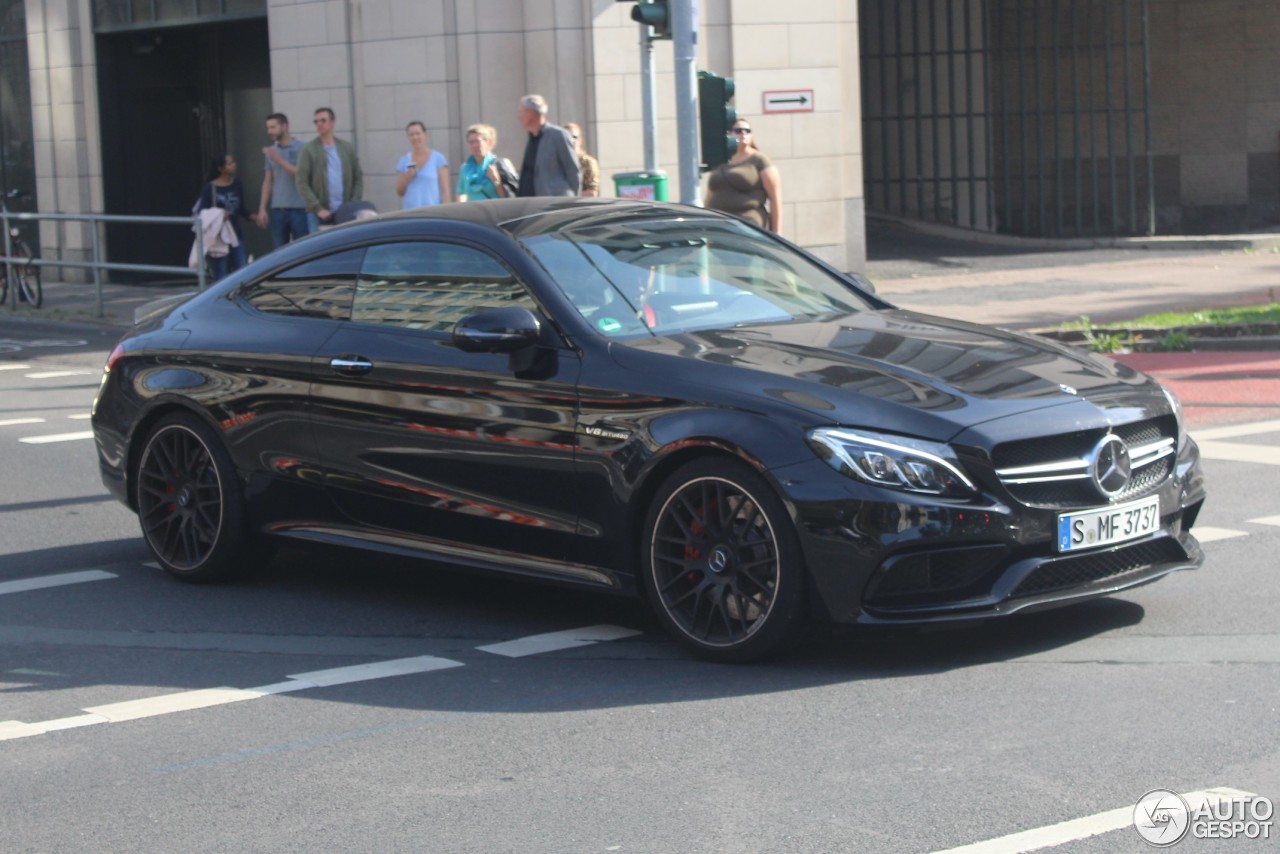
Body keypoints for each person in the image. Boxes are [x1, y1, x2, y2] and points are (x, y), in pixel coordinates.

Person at [703, 118, 783, 232]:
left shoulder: (759, 160)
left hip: (747, 225)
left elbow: (775, 198)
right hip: (718, 226)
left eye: (747, 130)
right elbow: (710, 195)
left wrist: (777, 232)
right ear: (729, 134)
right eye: (739, 130)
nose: (743, 133)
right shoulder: (721, 160)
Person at [295, 107, 364, 231]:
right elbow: (301, 182)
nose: (319, 124)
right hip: (318, 213)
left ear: (332, 122)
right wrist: (317, 208)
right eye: (316, 122)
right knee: (318, 247)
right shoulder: (308, 150)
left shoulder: (346, 148)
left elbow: (358, 177)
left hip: (344, 211)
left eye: (323, 120)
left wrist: (353, 203)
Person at [255, 112, 309, 247]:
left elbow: (301, 174)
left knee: (302, 250)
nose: (269, 131)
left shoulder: (302, 148)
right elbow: (267, 181)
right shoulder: (271, 151)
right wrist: (262, 208)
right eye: (268, 128)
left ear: (284, 126)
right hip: (278, 210)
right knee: (279, 253)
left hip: (299, 209)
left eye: (273, 127)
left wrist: (278, 159)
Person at [195, 153, 252, 279]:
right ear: (221, 169)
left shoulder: (237, 184)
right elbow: (201, 213)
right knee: (221, 274)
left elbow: (241, 209)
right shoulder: (210, 188)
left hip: (236, 235)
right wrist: (219, 214)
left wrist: (254, 217)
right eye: (230, 163)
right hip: (218, 237)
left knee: (241, 271)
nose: (234, 165)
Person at [515, 94, 580, 197]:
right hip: (531, 204)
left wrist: (572, 200)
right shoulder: (532, 139)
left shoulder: (558, 135)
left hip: (555, 204)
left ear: (530, 112)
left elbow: (572, 169)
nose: (518, 116)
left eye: (520, 112)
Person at [395, 120, 451, 208]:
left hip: (432, 212)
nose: (415, 137)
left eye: (418, 133)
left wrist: (447, 212)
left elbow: (445, 191)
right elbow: (399, 192)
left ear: (425, 135)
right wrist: (407, 178)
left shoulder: (438, 159)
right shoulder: (404, 161)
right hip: (410, 213)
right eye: (411, 135)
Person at [456, 123, 507, 202]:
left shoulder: (498, 165)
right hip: (473, 212)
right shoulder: (465, 168)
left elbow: (507, 197)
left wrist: (497, 181)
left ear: (487, 142)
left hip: (494, 212)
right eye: (471, 142)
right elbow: (461, 193)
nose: (474, 145)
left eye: (477, 141)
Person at [563, 122, 600, 197]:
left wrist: (567, 196)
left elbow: (592, 193)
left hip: (581, 206)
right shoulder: (557, 163)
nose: (571, 140)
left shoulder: (588, 162)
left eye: (574, 137)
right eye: (566, 137)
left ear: (580, 140)